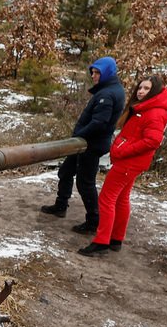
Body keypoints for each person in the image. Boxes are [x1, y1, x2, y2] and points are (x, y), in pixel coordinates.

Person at [78, 75, 167, 256]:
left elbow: (152, 141)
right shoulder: (146, 109)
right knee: (121, 198)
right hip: (131, 163)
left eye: (146, 89)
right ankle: (116, 239)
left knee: (106, 199)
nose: (141, 91)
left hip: (128, 163)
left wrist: (123, 151)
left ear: (155, 91)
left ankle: (101, 242)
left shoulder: (154, 112)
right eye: (140, 88)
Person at [41, 55, 126, 233]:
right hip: (83, 143)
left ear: (107, 73)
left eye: (97, 73)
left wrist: (79, 135)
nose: (93, 76)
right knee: (65, 172)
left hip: (89, 145)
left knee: (85, 183)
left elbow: (99, 123)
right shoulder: (109, 90)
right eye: (93, 73)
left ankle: (93, 221)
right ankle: (61, 205)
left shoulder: (108, 94)